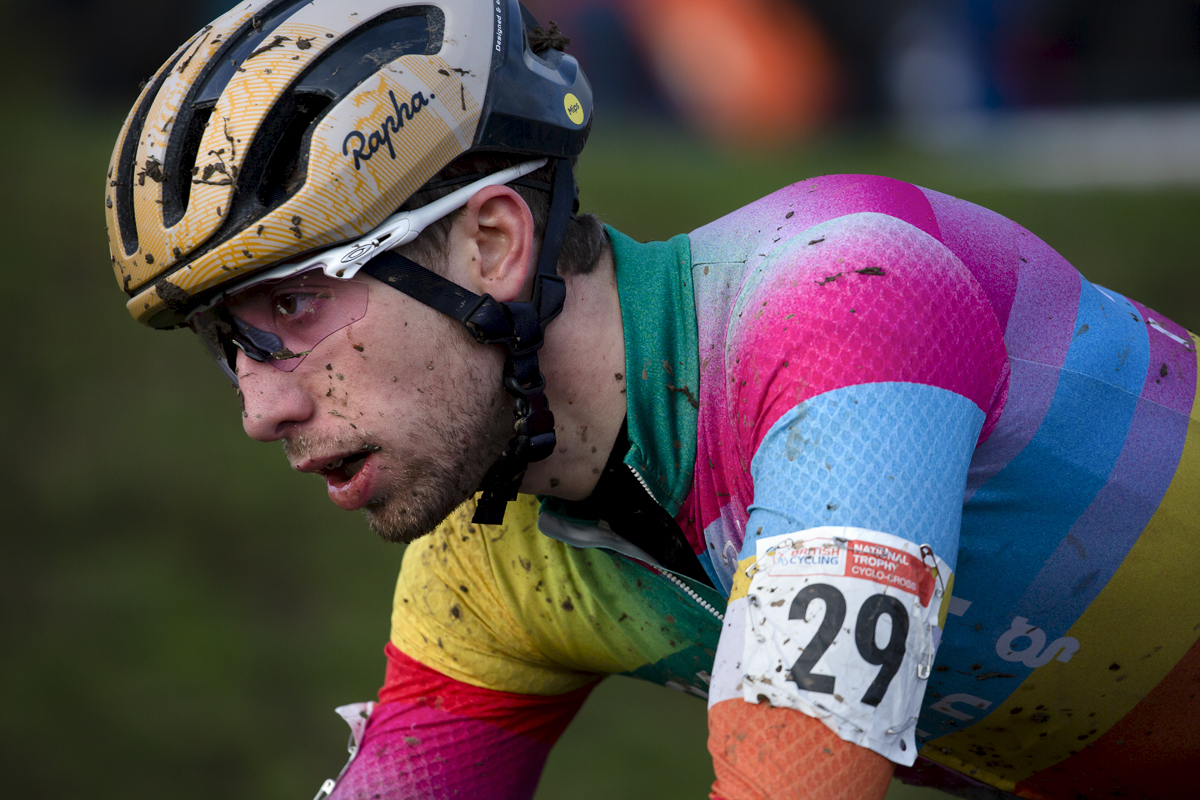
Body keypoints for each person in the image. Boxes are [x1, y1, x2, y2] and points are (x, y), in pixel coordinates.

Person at [105, 1, 1199, 798]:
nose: (260, 410)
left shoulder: (845, 297)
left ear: (492, 245)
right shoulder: (486, 566)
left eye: (292, 307)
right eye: (228, 346)